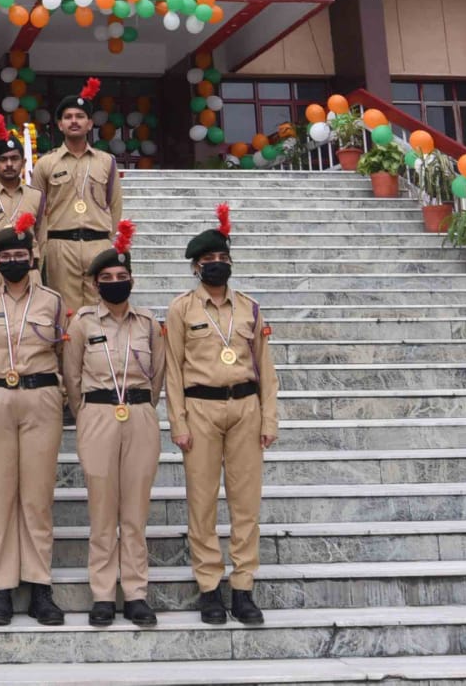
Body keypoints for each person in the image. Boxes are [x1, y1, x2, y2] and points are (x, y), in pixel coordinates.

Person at [165, 204, 279, 627]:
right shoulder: (181, 309)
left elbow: (265, 366)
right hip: (201, 409)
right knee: (202, 502)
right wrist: (178, 421)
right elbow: (172, 370)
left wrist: (270, 419)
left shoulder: (249, 308)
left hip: (246, 408)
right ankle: (210, 586)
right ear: (196, 268)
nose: (216, 266)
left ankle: (244, 586)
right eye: (208, 262)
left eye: (222, 260)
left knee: (246, 503)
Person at [0, 211, 66, 626]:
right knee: (0, 493)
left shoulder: (53, 301)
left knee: (37, 497)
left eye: (20, 253)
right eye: (5, 255)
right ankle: (1, 588)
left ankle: (40, 586)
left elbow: (64, 351)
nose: (13, 261)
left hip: (41, 397)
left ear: (32, 256)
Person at [65, 219, 165, 628]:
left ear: (133, 280)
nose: (115, 282)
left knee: (135, 511)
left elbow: (158, 375)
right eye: (106, 278)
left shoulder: (148, 324)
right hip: (98, 415)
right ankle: (103, 593)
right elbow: (71, 377)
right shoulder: (83, 322)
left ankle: (136, 593)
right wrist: (88, 410)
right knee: (102, 509)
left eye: (122, 277)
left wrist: (141, 404)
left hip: (140, 414)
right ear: (93, 285)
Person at [32, 78, 124, 314]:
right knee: (65, 312)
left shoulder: (106, 162)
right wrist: (42, 249)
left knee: (102, 310)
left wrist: (108, 242)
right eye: (68, 117)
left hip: (98, 244)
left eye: (80, 116)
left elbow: (114, 205)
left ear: (90, 123)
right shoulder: (46, 163)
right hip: (60, 245)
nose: (74, 121)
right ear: (60, 125)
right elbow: (36, 211)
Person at [0, 116, 45, 281]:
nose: (9, 164)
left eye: (14, 158)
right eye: (3, 160)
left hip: (28, 273)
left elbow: (42, 238)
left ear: (23, 162)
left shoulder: (36, 195)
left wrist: (37, 270)